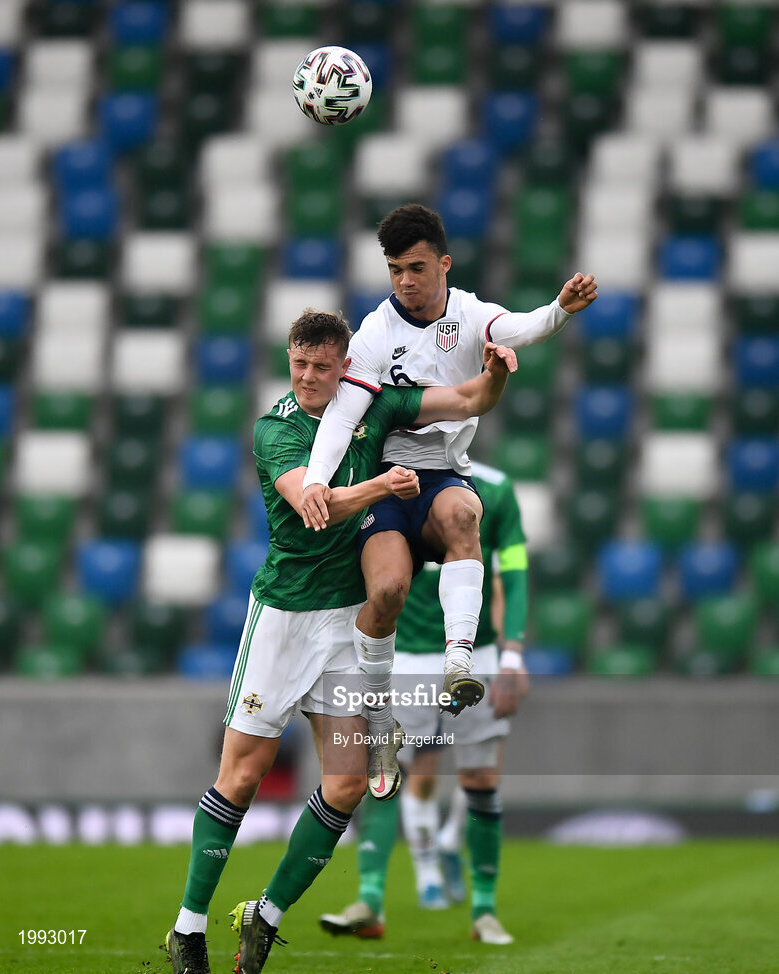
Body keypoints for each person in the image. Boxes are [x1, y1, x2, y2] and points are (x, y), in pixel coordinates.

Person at [164, 308, 516, 974]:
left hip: (344, 624)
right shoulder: (278, 429)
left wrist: (494, 371)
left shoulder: (372, 406)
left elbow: (464, 398)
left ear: (344, 365)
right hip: (283, 620)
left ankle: (263, 916)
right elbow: (313, 504)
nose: (307, 377)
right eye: (298, 363)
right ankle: (187, 929)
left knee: (349, 784)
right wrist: (382, 487)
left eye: (321, 367)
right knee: (242, 777)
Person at [300, 204, 596, 802]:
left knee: (466, 515)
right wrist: (315, 480)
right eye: (393, 270)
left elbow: (525, 328)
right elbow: (343, 415)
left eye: (415, 267)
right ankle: (380, 718)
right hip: (385, 481)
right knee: (385, 594)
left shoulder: (471, 314)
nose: (404, 281)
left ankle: (459, 665)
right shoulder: (376, 333)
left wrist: (560, 310)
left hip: (439, 478)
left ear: (444, 263)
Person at [319, 460, 528, 946]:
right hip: (405, 653)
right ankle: (369, 900)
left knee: (479, 778)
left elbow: (513, 573)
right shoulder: (377, 476)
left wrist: (513, 656)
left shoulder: (495, 490)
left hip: (475, 650)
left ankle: (484, 910)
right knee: (387, 772)